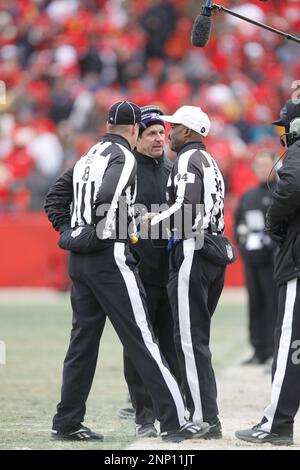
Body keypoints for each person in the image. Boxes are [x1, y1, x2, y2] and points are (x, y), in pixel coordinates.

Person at [44, 100, 209, 443]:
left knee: (82, 343)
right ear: (134, 130)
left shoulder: (90, 155)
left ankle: (67, 421)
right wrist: (97, 232)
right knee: (143, 340)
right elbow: (110, 199)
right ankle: (176, 422)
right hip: (110, 257)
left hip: (81, 262)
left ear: (107, 124)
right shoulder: (124, 158)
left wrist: (70, 232)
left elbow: (54, 198)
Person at [146, 105, 231, 440]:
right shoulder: (208, 160)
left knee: (189, 338)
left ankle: (202, 417)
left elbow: (186, 209)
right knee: (196, 337)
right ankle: (205, 412)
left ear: (191, 131)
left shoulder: (186, 160)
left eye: (176, 127)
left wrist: (148, 222)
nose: (170, 133)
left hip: (194, 247)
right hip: (212, 249)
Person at [236, 99, 300, 446]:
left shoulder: (296, 152)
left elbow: (288, 189)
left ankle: (276, 425)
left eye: (285, 127)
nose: (282, 135)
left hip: (298, 263)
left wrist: (276, 226)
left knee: (291, 346)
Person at [119, 105, 182, 438]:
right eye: (152, 133)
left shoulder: (174, 170)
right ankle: (143, 415)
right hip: (139, 273)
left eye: (162, 133)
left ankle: (173, 409)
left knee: (170, 345)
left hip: (169, 273)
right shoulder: (127, 171)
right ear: (137, 136)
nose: (159, 139)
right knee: (139, 347)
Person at [234, 151, 278, 365]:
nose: (262, 169)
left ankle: (275, 349)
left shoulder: (282, 192)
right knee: (255, 303)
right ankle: (259, 348)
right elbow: (238, 225)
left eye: (265, 165)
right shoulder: (248, 196)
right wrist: (243, 246)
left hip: (273, 261)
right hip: (252, 260)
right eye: (258, 165)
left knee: (274, 303)